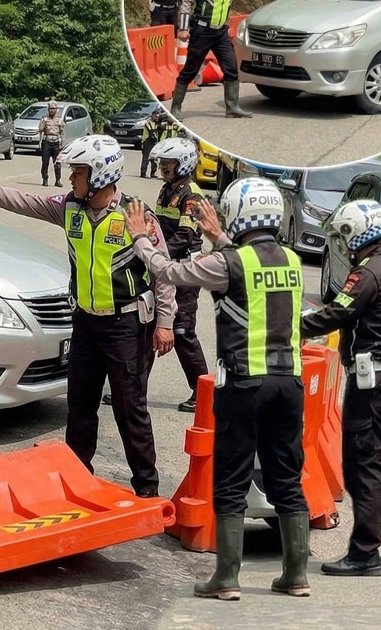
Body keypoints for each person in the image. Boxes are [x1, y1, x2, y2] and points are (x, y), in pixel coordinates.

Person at [0, 135, 176, 498]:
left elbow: (162, 272)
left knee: (131, 410)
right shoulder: (69, 207)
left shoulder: (136, 215)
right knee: (80, 407)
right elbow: (25, 201)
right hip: (85, 325)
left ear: (99, 175)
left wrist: (164, 323)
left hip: (125, 327)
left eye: (77, 172)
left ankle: (147, 488)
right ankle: (77, 480)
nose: (71, 179)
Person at [123, 177, 309, 600]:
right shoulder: (292, 261)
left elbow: (169, 271)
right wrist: (218, 236)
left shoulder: (227, 265)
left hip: (244, 383)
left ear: (239, 216)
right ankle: (296, 575)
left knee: (230, 479)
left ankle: (226, 579)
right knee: (286, 477)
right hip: (289, 383)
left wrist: (140, 239)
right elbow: (248, 265)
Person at [300, 200, 381, 577]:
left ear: (360, 234)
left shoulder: (367, 274)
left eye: (344, 235)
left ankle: (364, 553)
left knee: (363, 468)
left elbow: (335, 314)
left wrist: (290, 324)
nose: (342, 243)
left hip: (371, 383)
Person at [172, 0, 299, 120]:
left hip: (221, 32)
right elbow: (187, 1)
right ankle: (176, 108)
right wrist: (184, 28)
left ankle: (232, 107)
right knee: (190, 70)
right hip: (202, 31)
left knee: (231, 68)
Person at [149, 138, 210, 413]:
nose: (163, 167)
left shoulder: (192, 195)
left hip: (184, 270)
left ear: (183, 164)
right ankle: (132, 387)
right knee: (147, 326)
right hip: (165, 266)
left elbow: (185, 236)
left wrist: (155, 253)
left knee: (183, 332)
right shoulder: (166, 190)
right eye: (162, 163)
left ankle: (203, 392)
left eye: (168, 163)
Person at [37, 101, 65, 187]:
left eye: (53, 109)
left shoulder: (60, 120)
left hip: (56, 142)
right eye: (50, 109)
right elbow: (40, 130)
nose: (52, 110)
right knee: (45, 162)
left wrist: (63, 144)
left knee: (57, 162)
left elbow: (63, 133)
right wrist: (39, 143)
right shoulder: (45, 119)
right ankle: (45, 179)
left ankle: (58, 180)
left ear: (56, 110)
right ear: (48, 110)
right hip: (46, 142)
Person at [139, 109, 165, 178]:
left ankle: (153, 173)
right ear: (152, 116)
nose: (157, 118)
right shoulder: (149, 122)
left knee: (154, 159)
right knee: (146, 158)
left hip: (154, 142)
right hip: (147, 141)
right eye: (155, 116)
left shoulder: (157, 123)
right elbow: (152, 133)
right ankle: (143, 173)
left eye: (158, 117)